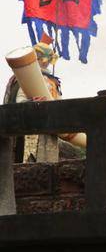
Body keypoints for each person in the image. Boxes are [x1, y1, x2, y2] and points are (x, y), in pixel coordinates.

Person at [3, 34, 62, 163]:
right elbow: (17, 101)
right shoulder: (20, 78)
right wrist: (32, 103)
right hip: (25, 130)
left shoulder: (53, 81)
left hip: (46, 130)